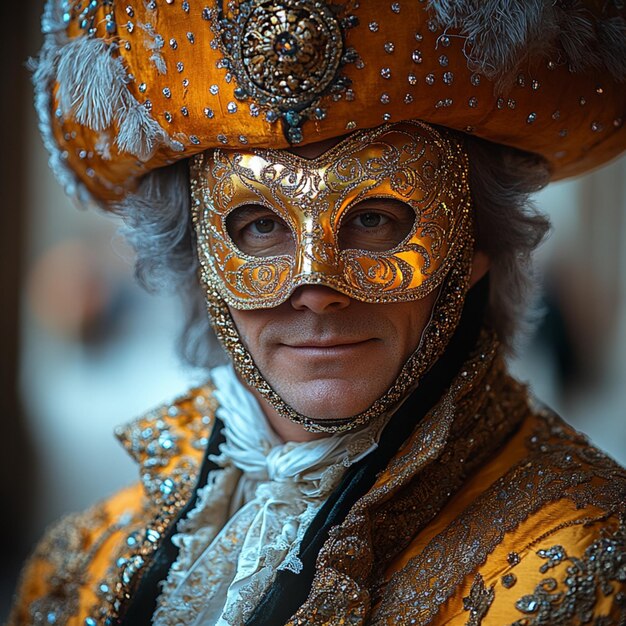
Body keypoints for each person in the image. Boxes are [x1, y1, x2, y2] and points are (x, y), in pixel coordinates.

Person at [9, 1, 626, 624]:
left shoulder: (586, 559)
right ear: (198, 259)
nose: (315, 286)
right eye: (259, 226)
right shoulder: (81, 566)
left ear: (476, 247)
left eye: (373, 219)